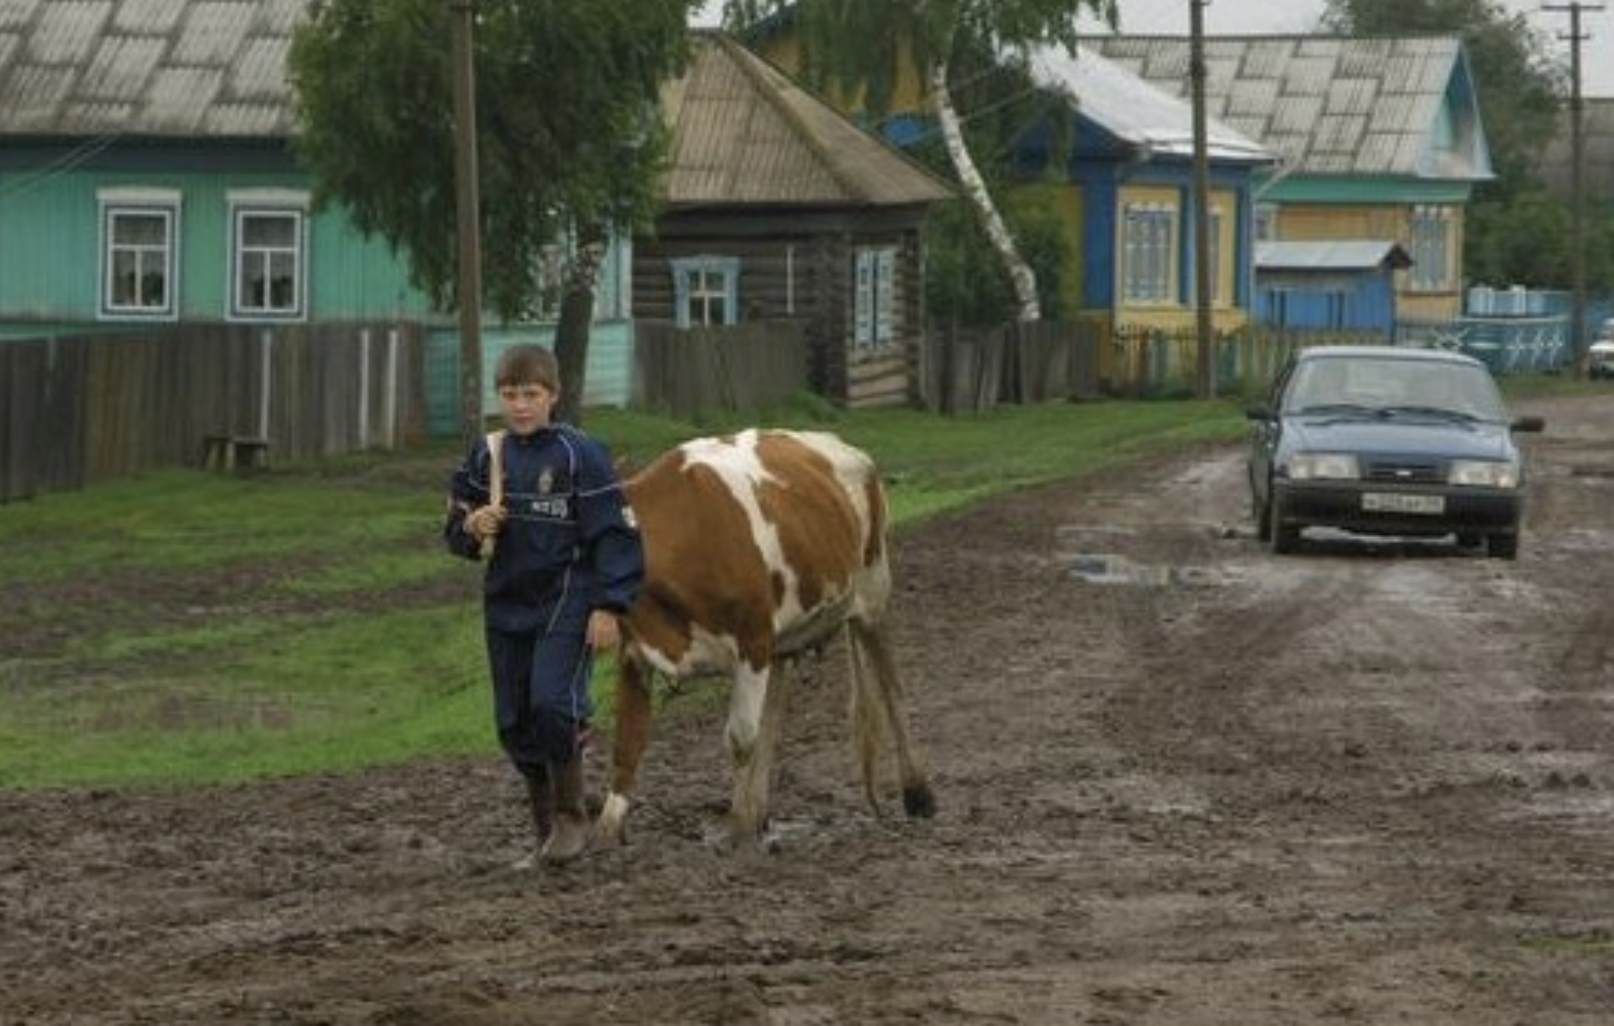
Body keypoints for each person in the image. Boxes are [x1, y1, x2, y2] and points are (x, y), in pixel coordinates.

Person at [443, 344, 645, 867]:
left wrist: (609, 607)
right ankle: (548, 829)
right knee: (513, 724)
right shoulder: (487, 455)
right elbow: (456, 527)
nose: (520, 406)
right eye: (509, 395)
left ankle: (572, 815)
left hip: (568, 596)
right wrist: (471, 527)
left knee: (552, 704)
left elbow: (617, 538)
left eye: (531, 395)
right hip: (507, 600)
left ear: (553, 396)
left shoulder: (582, 455)